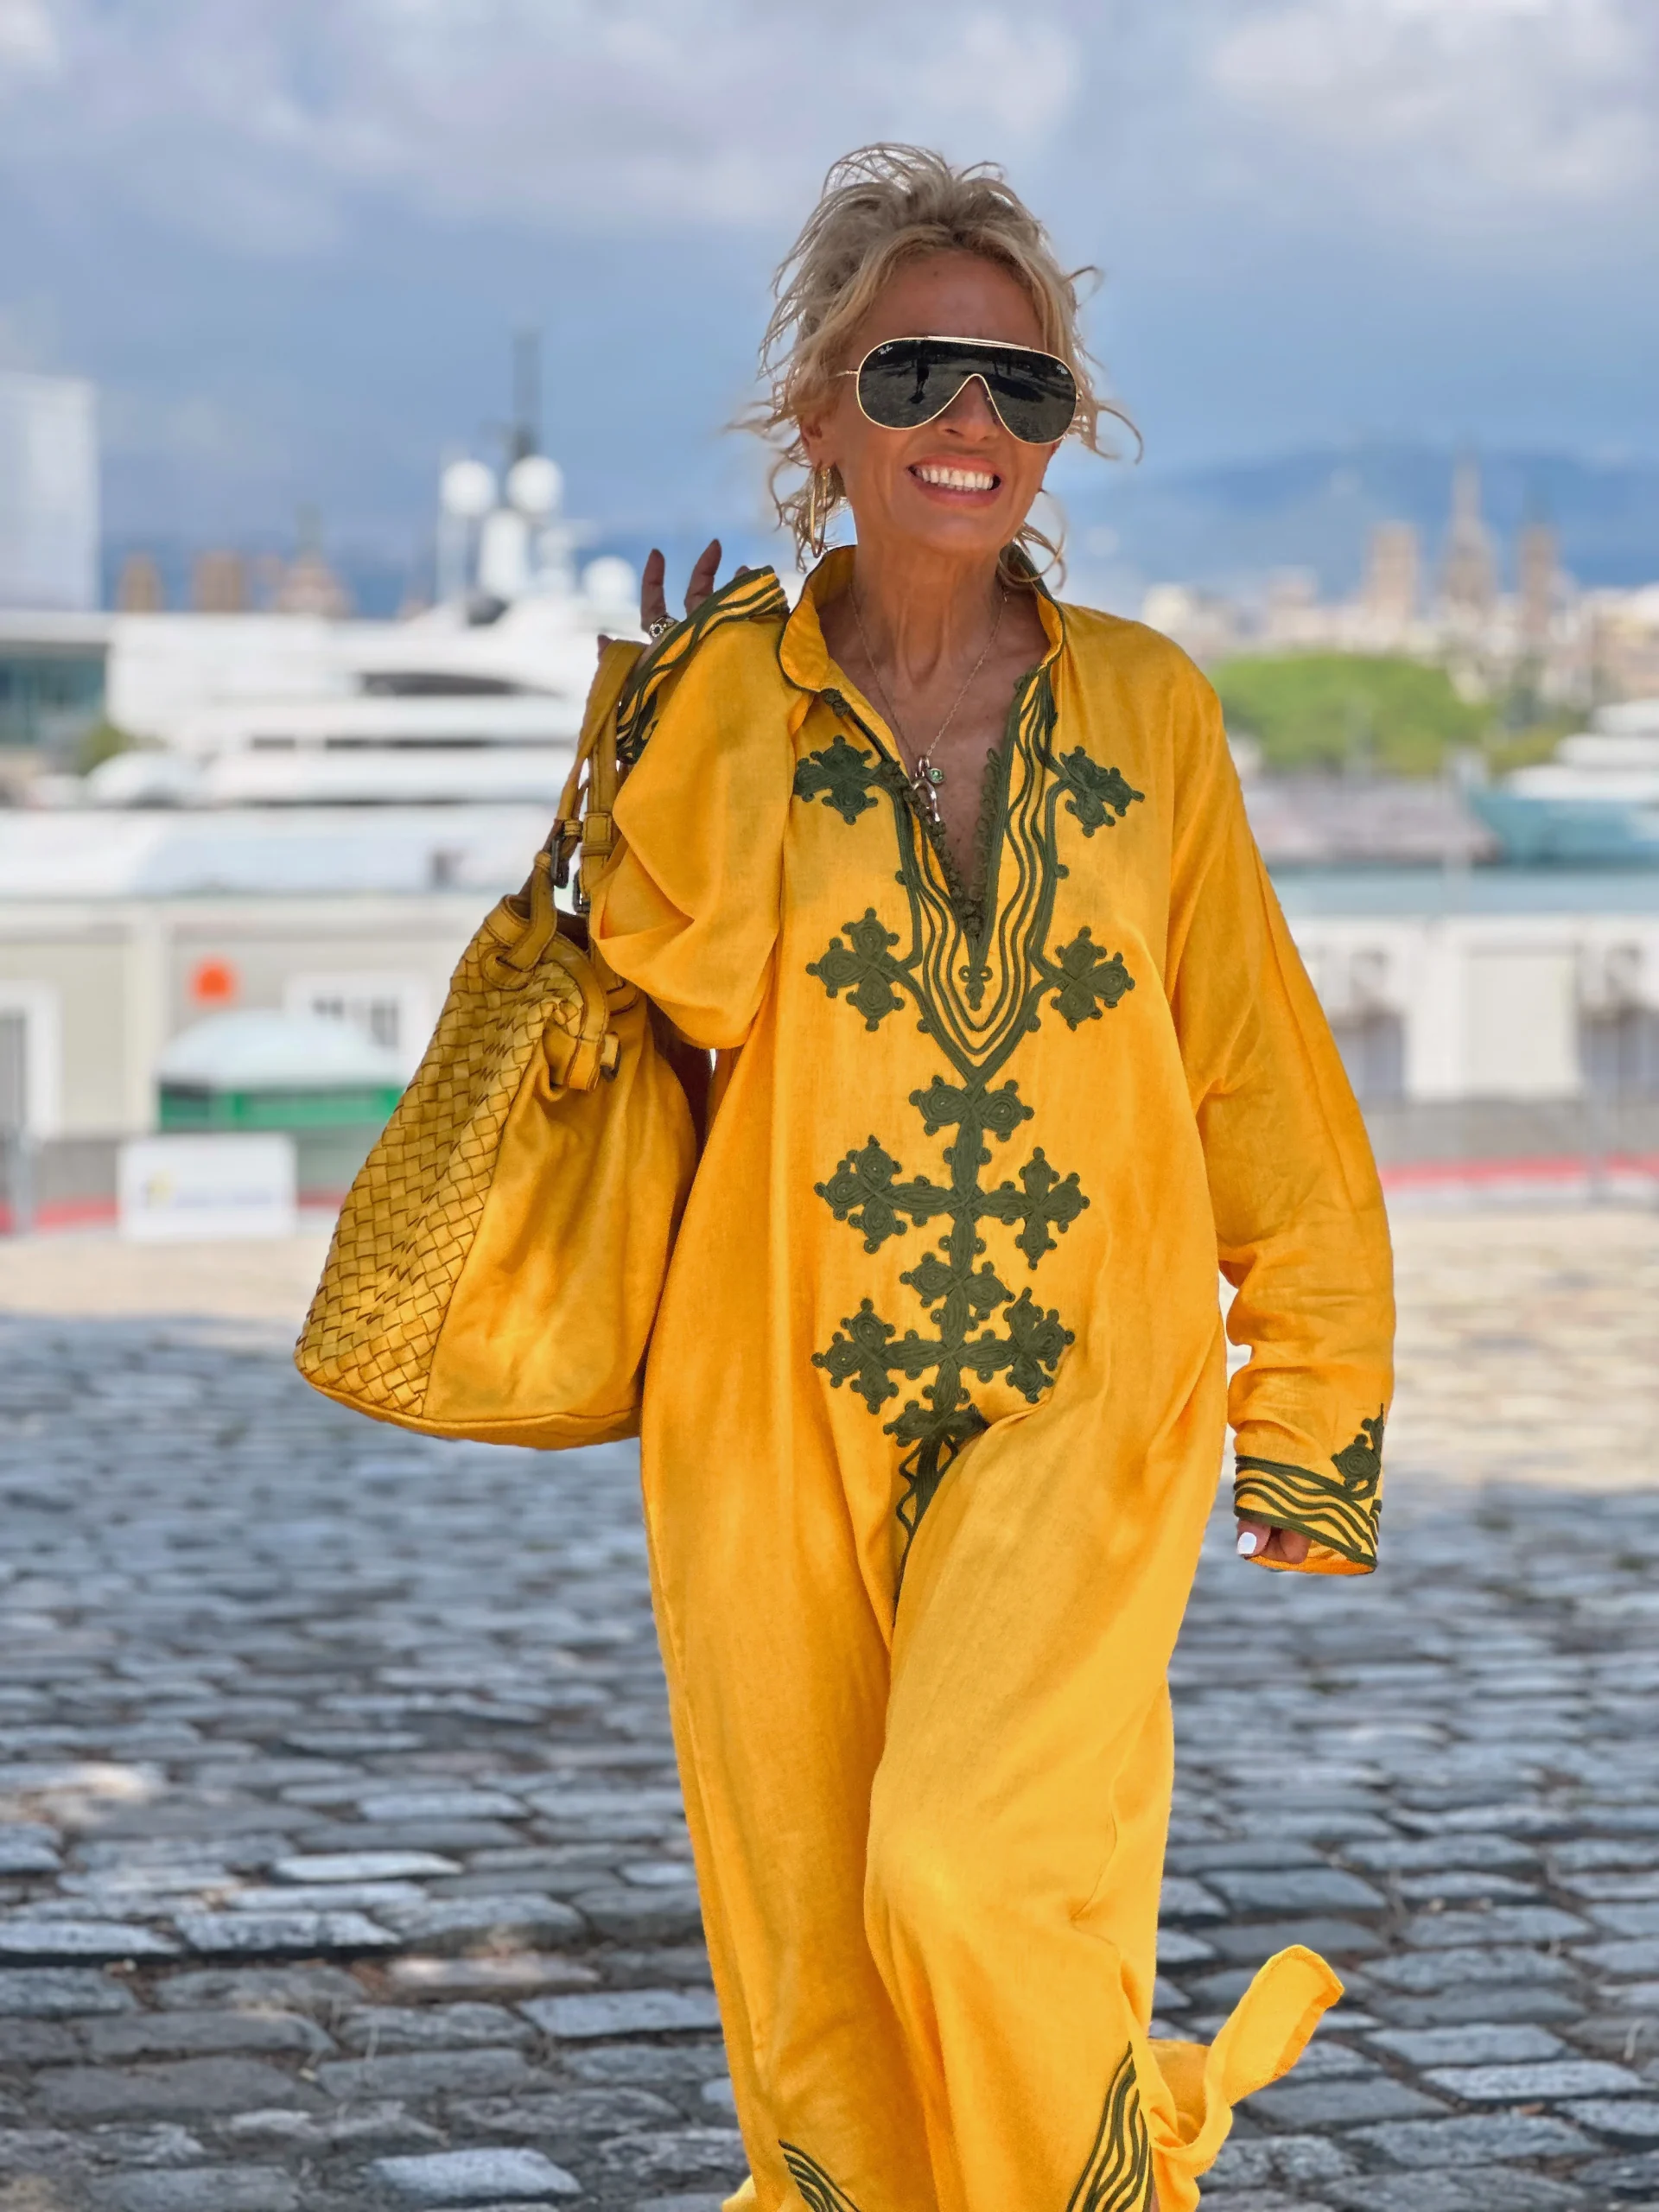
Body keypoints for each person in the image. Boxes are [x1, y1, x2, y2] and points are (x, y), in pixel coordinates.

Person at [588, 144, 1393, 2212]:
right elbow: (687, 980)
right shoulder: (748, 699)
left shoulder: (1150, 706)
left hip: (1085, 1390)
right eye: (917, 373)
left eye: (1021, 385)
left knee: (958, 1866)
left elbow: (1260, 1068)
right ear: (819, 415)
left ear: (1060, 433)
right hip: (773, 1402)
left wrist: (1309, 1404)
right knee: (819, 1952)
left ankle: (1111, 2167)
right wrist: (676, 730)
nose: (970, 418)